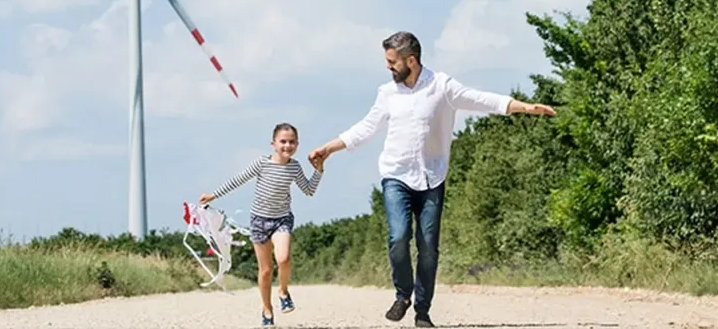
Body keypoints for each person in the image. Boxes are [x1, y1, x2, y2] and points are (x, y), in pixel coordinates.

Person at [308, 31, 555, 328]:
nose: (388, 67)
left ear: (411, 60)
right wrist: (329, 148)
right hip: (396, 175)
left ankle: (422, 311)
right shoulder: (387, 93)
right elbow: (366, 127)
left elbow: (481, 99)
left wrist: (525, 107)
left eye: (392, 62)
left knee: (428, 246)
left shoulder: (442, 86)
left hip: (432, 177)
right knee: (398, 236)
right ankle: (403, 295)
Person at [199, 122, 324, 327]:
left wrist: (319, 171)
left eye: (292, 142)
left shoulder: (294, 167)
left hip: (282, 219)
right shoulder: (262, 163)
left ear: (297, 145)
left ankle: (283, 292)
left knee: (283, 258)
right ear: (273, 143)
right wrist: (214, 195)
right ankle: (267, 309)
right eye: (283, 141)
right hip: (259, 221)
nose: (287, 145)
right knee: (265, 270)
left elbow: (309, 190)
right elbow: (238, 180)